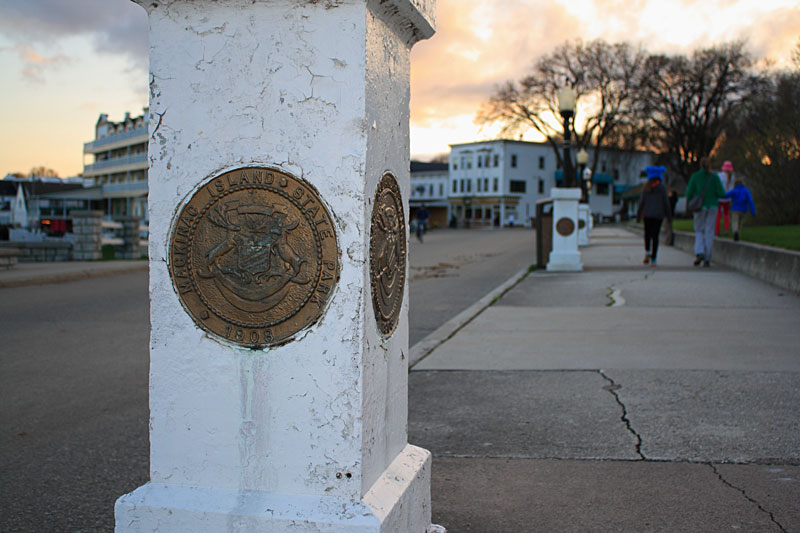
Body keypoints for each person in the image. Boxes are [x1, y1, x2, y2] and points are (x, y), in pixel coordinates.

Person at [685, 157, 726, 267]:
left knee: (698, 229)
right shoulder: (715, 177)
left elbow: (688, 193)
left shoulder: (695, 177)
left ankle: (699, 251)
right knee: (709, 231)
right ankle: (707, 257)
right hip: (712, 206)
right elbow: (721, 193)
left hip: (700, 207)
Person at [636, 166, 672, 266]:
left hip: (647, 215)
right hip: (658, 215)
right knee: (655, 236)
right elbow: (666, 203)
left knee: (647, 234)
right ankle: (654, 258)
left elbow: (641, 202)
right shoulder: (662, 188)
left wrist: (638, 215)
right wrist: (669, 216)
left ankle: (647, 252)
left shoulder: (646, 187)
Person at [715, 160, 735, 235]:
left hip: (719, 198)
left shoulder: (719, 175)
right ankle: (726, 229)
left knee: (718, 215)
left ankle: (717, 230)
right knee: (726, 214)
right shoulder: (732, 177)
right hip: (728, 198)